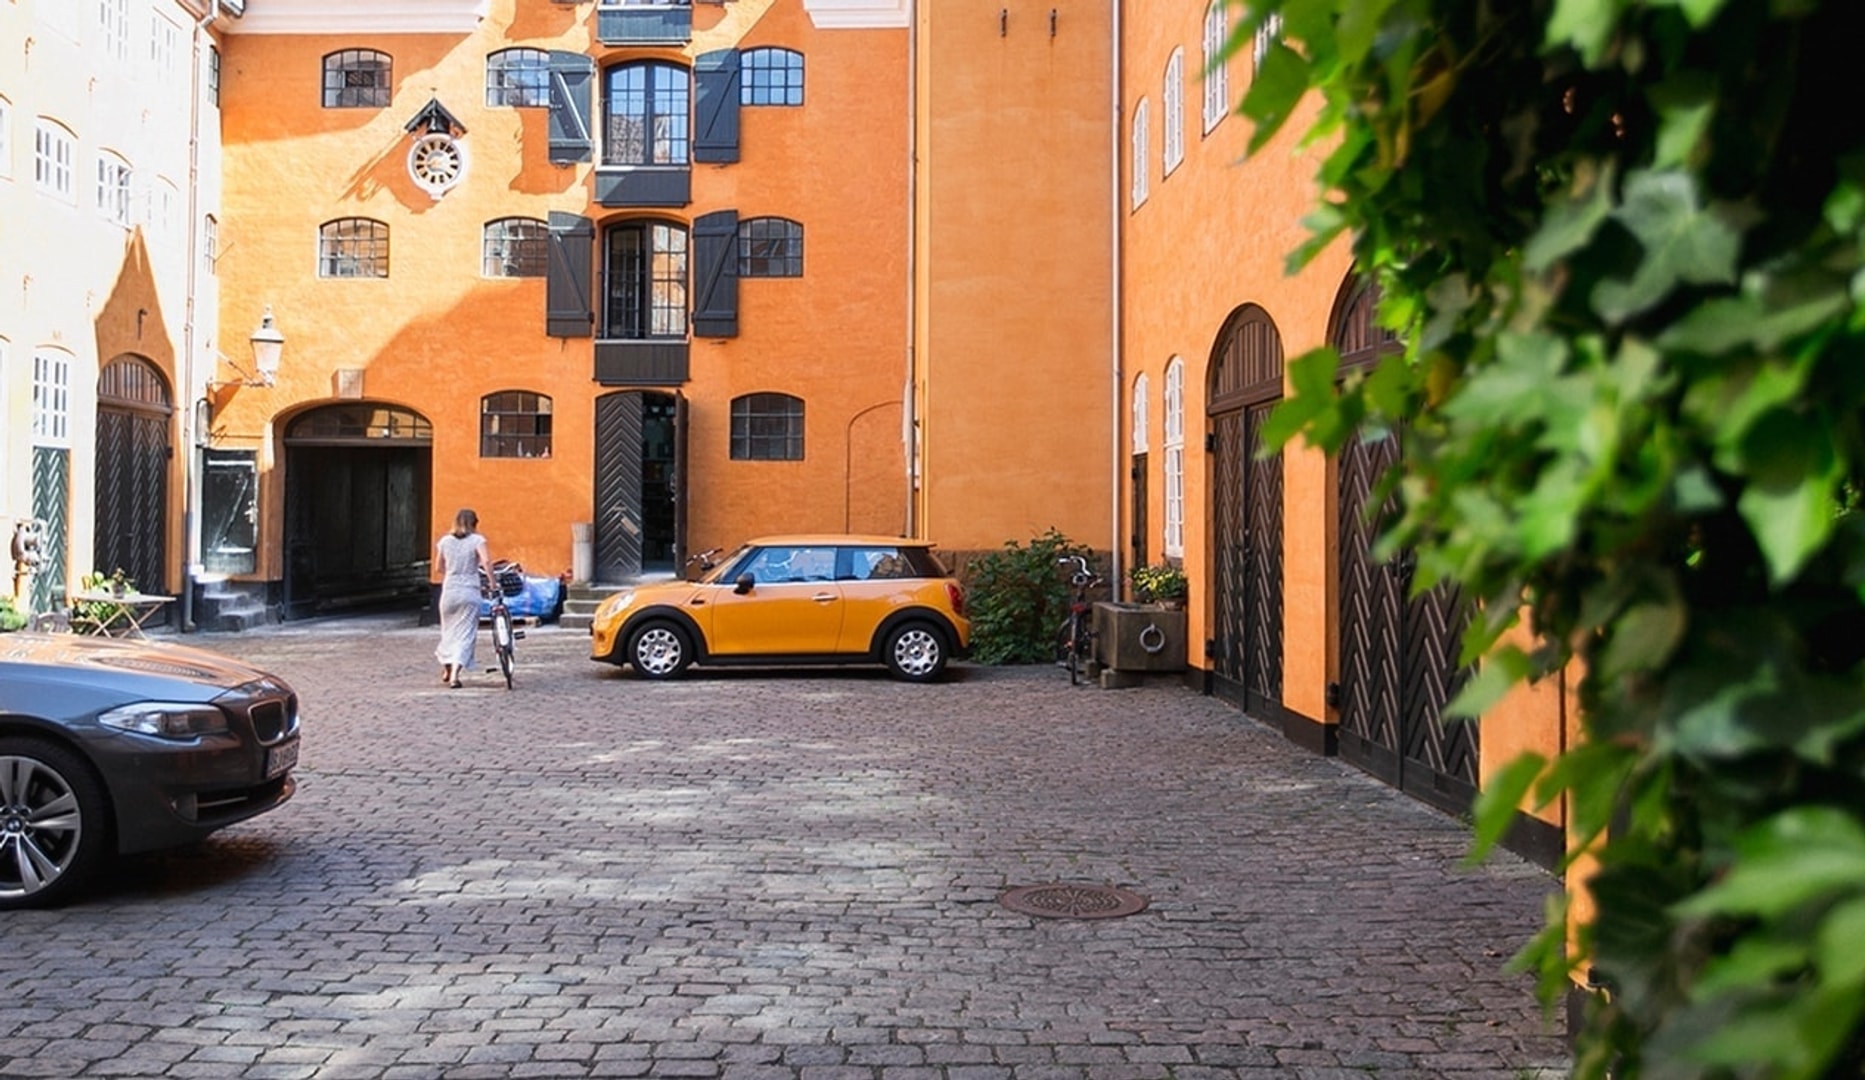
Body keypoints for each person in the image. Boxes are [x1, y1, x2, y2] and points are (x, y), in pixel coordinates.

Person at [434, 508, 491, 688]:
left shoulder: (444, 542)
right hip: (470, 591)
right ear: (474, 523)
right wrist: (492, 583)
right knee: (465, 634)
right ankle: (455, 676)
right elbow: (487, 562)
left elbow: (438, 568)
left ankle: (447, 667)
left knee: (448, 632)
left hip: (449, 591)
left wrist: (453, 573)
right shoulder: (477, 540)